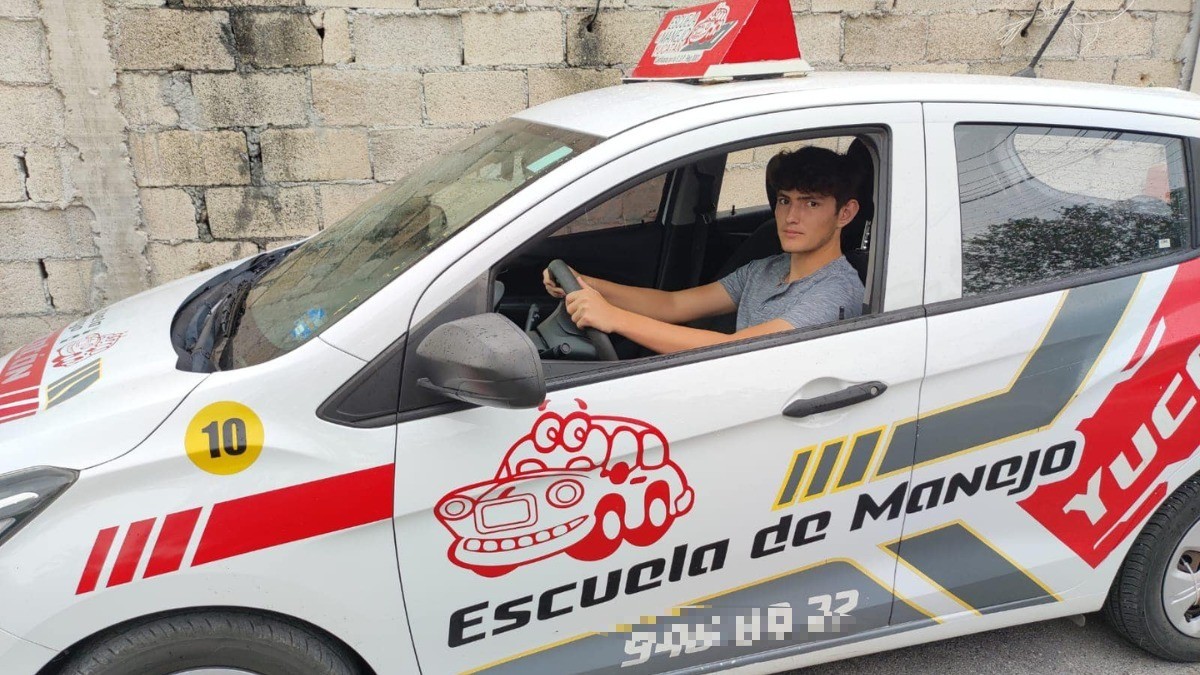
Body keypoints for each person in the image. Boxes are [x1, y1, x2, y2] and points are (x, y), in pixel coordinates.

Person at [543, 146, 865, 355]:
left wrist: (614, 318)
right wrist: (589, 285)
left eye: (811, 203)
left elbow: (735, 349)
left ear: (845, 213)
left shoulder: (834, 291)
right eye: (784, 201)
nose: (791, 216)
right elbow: (674, 304)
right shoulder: (767, 269)